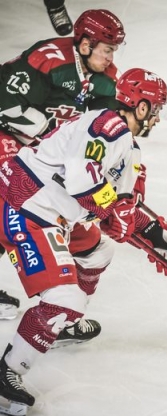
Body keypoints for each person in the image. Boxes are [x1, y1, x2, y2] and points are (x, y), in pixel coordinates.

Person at [0, 68, 167, 416]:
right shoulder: (104, 126)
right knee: (64, 298)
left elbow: (123, 206)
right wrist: (113, 213)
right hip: (25, 204)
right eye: (156, 109)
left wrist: (154, 232)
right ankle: (6, 371)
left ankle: (61, 325)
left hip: (56, 212)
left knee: (100, 250)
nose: (158, 118)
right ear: (141, 107)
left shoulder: (129, 148)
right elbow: (83, 185)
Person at [0, 9, 126, 329]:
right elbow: (5, 102)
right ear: (85, 44)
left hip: (42, 152)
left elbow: (98, 133)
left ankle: (63, 318)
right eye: (107, 48)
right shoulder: (50, 59)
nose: (112, 57)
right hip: (8, 136)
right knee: (11, 202)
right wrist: (39, 130)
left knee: (72, 221)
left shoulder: (105, 80)